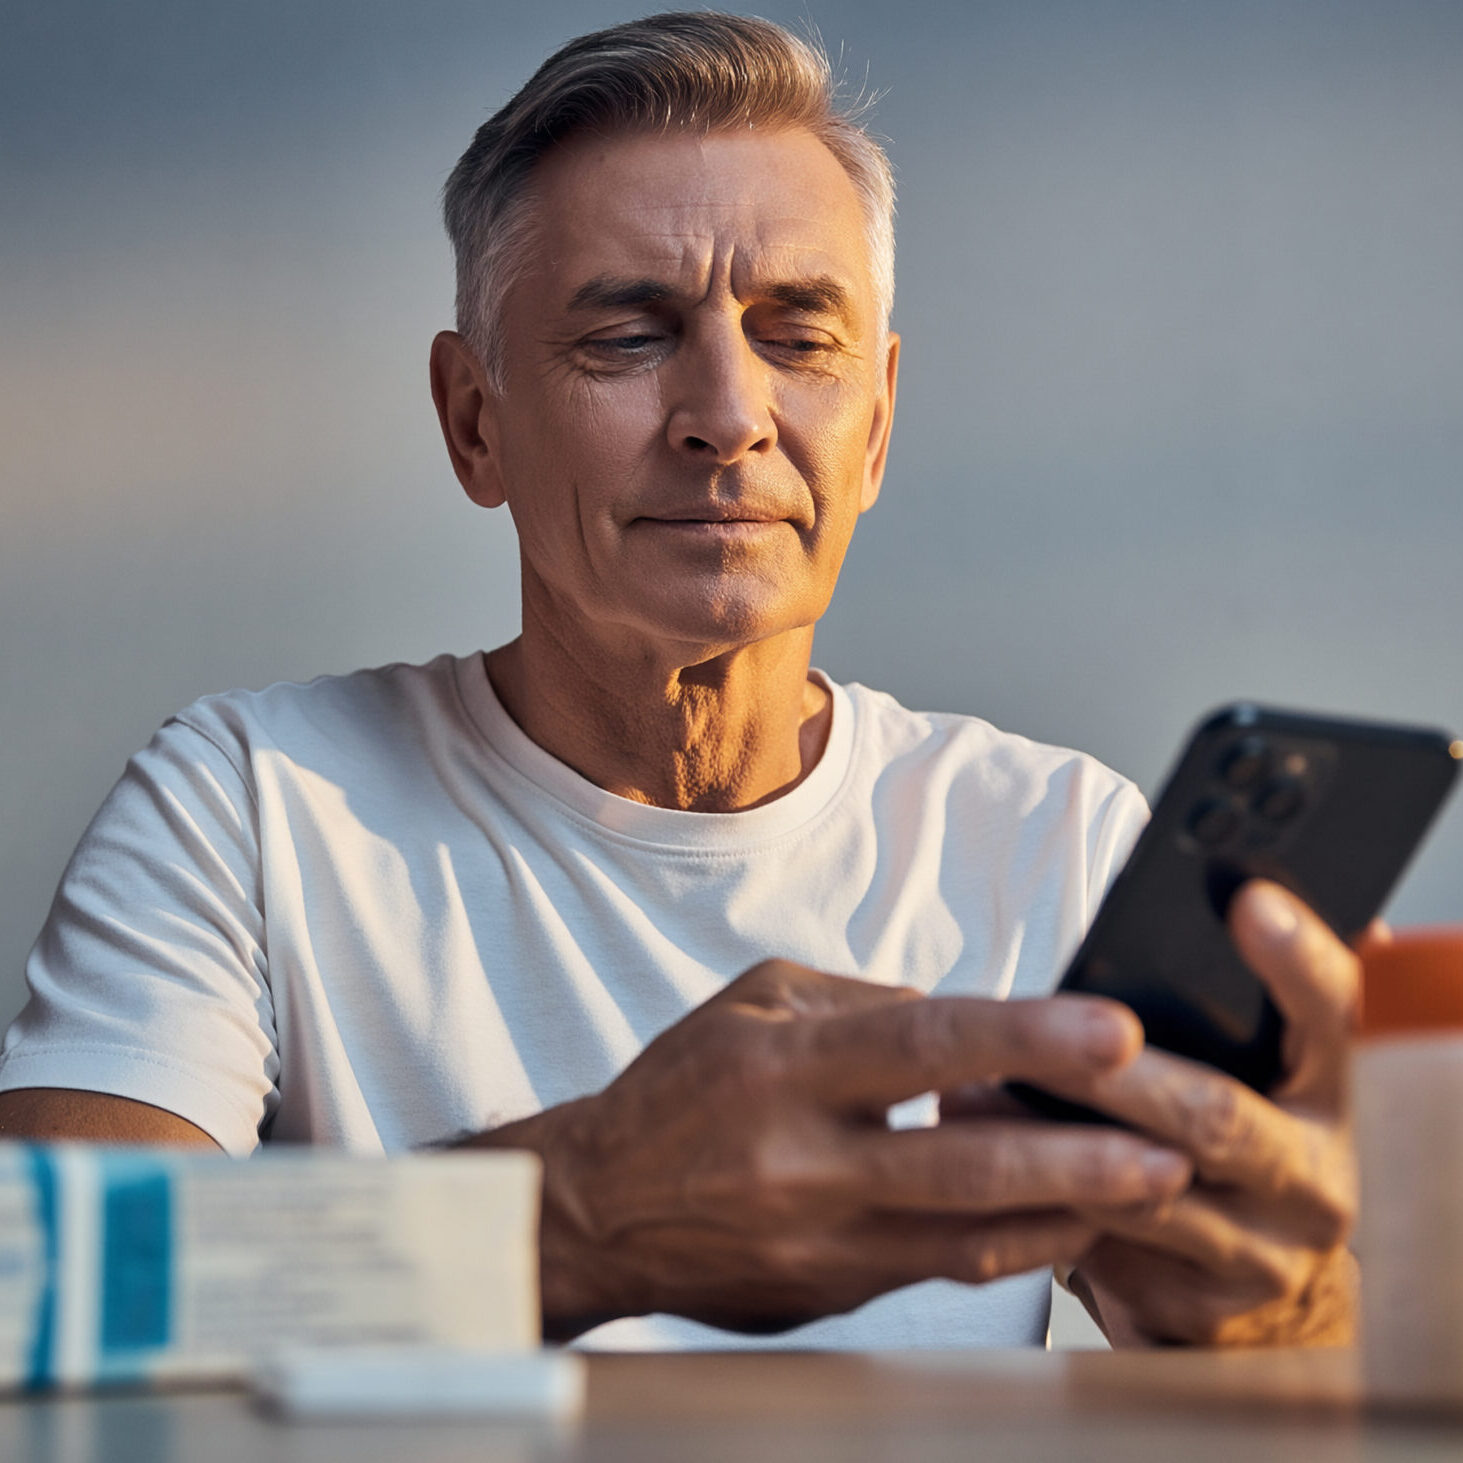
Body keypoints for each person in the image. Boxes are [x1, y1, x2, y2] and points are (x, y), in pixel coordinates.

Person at [0, 12, 1357, 1351]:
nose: (728, 411)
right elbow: (29, 1287)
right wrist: (594, 1207)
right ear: (476, 423)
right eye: (628, 336)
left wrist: (1276, 1316)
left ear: (875, 427)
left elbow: (1298, 1372)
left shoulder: (1057, 848)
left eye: (798, 336)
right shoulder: (248, 809)